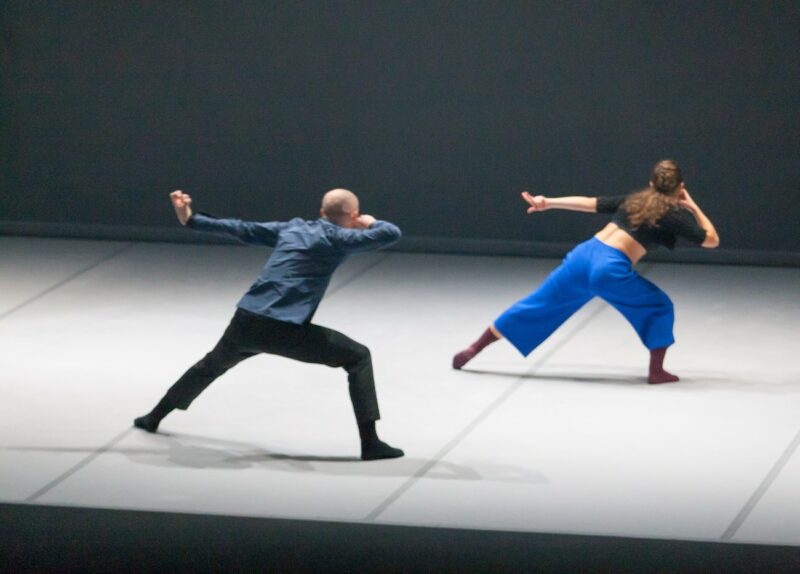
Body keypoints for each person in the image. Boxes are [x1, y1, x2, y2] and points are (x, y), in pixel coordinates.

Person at [134, 189, 405, 461]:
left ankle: (153, 417)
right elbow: (389, 234)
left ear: (321, 212)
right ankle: (370, 443)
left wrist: (190, 218)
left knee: (209, 367)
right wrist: (369, 222)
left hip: (247, 318)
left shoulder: (292, 229)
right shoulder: (340, 237)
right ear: (353, 215)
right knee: (358, 357)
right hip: (283, 328)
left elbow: (241, 229)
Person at [452, 159, 719, 384]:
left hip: (584, 255)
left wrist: (549, 202)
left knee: (535, 305)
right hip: (610, 267)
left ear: (651, 184)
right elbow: (711, 240)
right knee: (659, 307)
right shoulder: (672, 214)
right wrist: (693, 206)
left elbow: (589, 203)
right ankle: (656, 371)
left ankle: (474, 349)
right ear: (680, 189)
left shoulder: (634, 200)